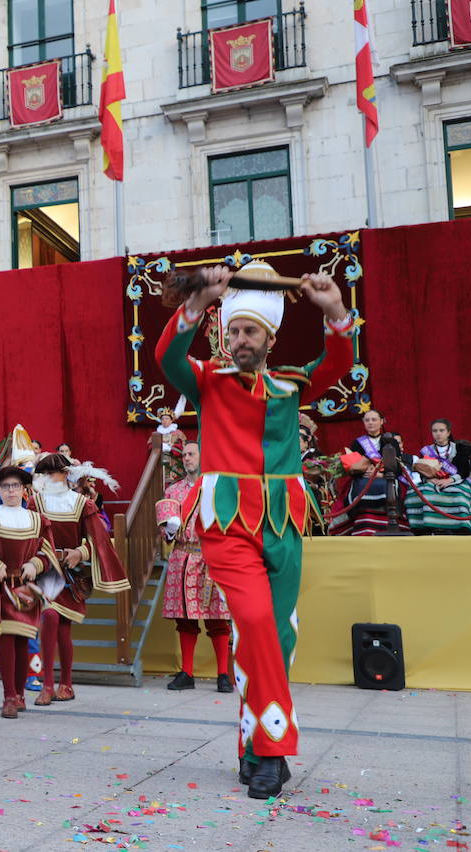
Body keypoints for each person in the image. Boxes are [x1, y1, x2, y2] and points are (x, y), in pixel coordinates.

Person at [157, 261, 352, 799]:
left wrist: (334, 309)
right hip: (226, 522)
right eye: (233, 330)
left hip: (283, 522)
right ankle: (271, 750)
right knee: (258, 622)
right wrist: (198, 305)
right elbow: (167, 356)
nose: (240, 339)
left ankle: (249, 742)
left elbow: (338, 359)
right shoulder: (206, 382)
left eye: (250, 331)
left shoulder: (291, 385)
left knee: (277, 635)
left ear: (269, 336)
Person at [33, 453, 128, 704]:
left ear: (65, 474)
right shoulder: (36, 503)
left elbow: (99, 539)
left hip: (72, 574)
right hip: (45, 571)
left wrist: (79, 552)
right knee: (50, 616)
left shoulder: (81, 504)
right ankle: (49, 684)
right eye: (44, 474)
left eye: (51, 473)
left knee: (63, 628)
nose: (47, 478)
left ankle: (65, 683)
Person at [0, 465, 57, 717]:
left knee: (23, 641)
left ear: (24, 490)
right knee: (6, 638)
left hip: (27, 590)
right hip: (0, 589)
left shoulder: (37, 520)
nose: (11, 491)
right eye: (5, 486)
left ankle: (19, 694)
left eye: (15, 486)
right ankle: (9, 695)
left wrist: (35, 563)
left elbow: (48, 551)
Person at [155, 442, 232, 692]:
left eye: (191, 454)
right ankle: (187, 673)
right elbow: (166, 533)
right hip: (183, 556)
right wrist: (169, 530)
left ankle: (223, 674)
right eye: (184, 455)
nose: (187, 458)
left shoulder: (219, 487)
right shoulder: (173, 490)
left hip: (212, 558)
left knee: (217, 618)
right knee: (185, 618)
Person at [332, 410, 410, 536]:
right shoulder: (357, 443)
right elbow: (353, 467)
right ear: (363, 423)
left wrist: (382, 475)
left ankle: (390, 524)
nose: (370, 423)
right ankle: (364, 525)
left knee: (387, 486)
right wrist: (363, 470)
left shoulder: (391, 441)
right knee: (361, 486)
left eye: (374, 419)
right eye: (367, 420)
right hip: (363, 478)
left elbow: (398, 467)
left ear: (381, 421)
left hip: (387, 477)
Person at [406, 419, 471, 535]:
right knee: (423, 492)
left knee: (458, 494)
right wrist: (429, 479)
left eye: (441, 430)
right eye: (435, 431)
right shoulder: (426, 450)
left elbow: (464, 471)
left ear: (448, 432)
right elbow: (421, 471)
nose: (438, 433)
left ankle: (458, 527)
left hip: (456, 480)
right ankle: (430, 527)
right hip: (433, 481)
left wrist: (449, 480)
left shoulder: (459, 448)